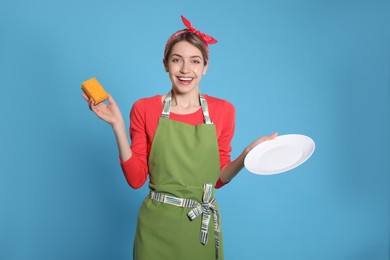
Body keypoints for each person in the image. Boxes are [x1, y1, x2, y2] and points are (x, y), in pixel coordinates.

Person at [82, 15, 277, 260]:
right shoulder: (144, 109)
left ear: (205, 67)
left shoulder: (224, 111)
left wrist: (247, 155)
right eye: (177, 60)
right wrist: (118, 126)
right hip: (156, 229)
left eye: (195, 61)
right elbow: (136, 179)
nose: (186, 70)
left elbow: (217, 177)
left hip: (199, 229)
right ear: (166, 64)